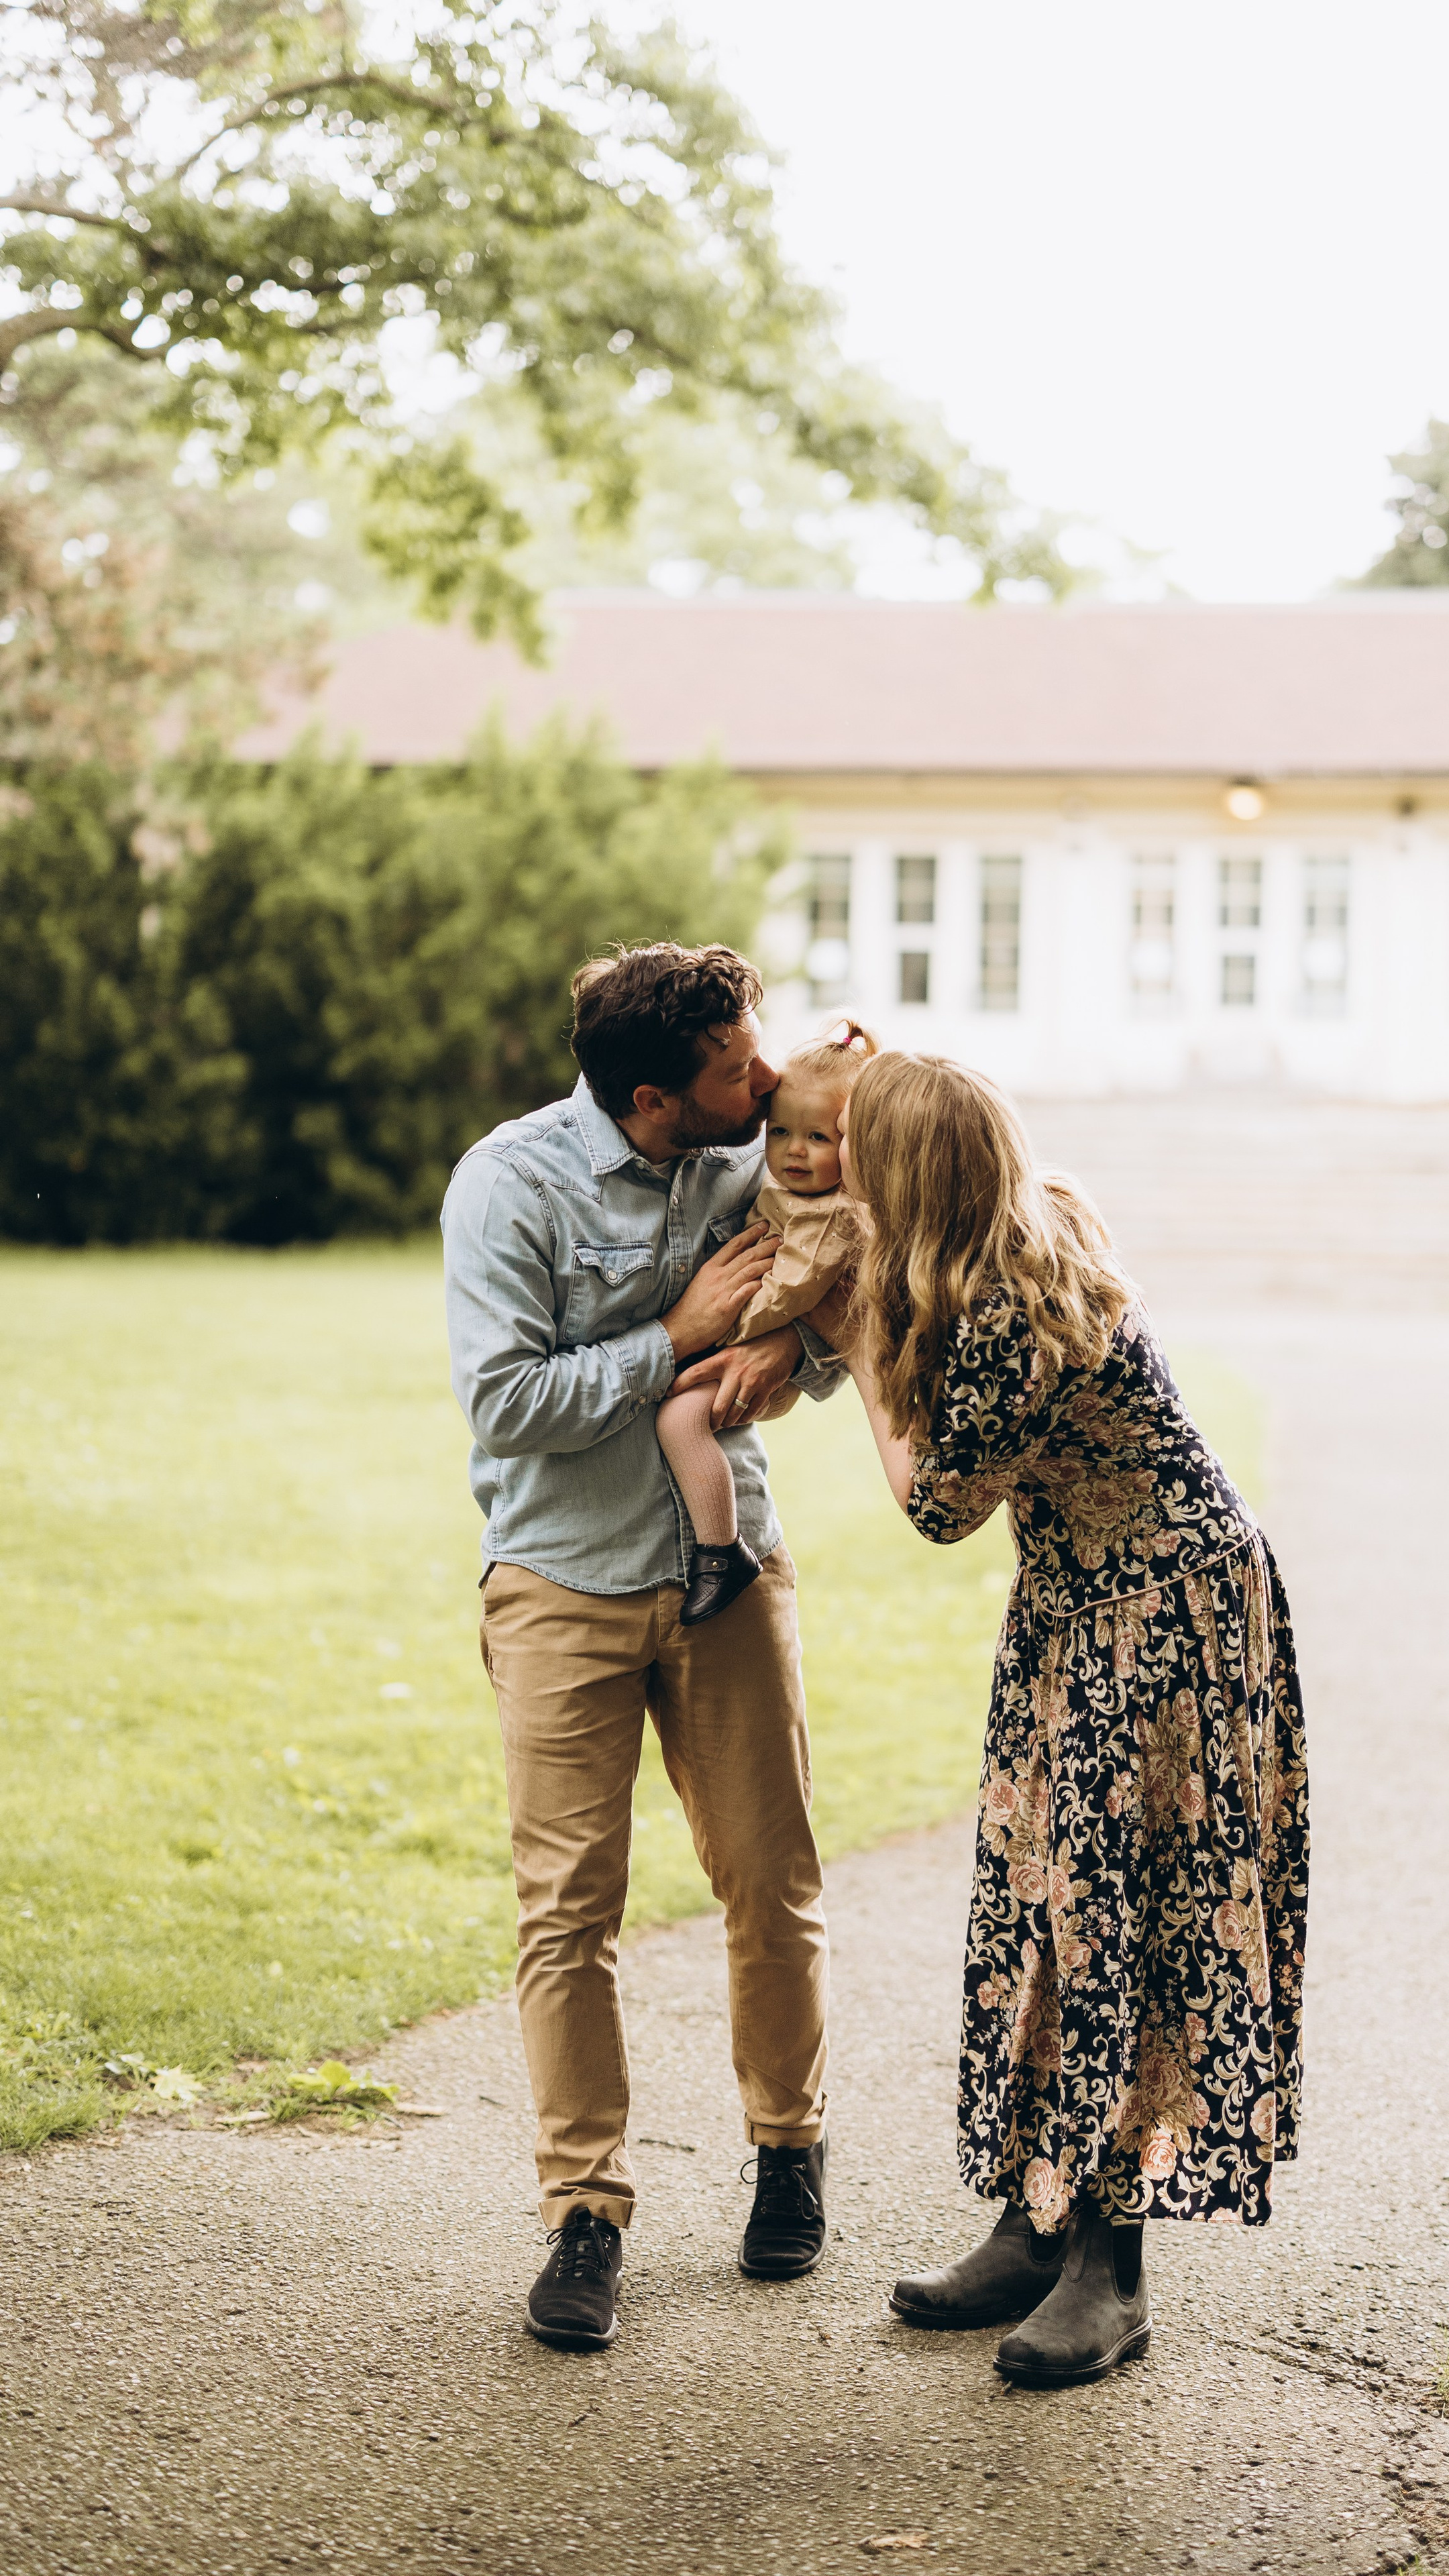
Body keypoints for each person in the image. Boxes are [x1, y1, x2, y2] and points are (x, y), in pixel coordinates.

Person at [816, 1053, 1309, 2389]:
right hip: (1079, 1604)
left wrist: (859, 1335)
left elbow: (932, 1505)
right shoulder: (1014, 1228)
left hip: (1161, 1616)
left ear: (908, 1176)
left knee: (1122, 1925)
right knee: (1041, 1901)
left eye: (855, 1149)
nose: (834, 1166)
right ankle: (1034, 2224)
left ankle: (1111, 2263)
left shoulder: (1001, 1316)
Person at [441, 942, 845, 2354]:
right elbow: (505, 1407)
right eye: (739, 1063)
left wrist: (783, 1360)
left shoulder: (757, 1149)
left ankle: (788, 2150)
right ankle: (585, 2214)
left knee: (771, 1881)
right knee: (568, 1916)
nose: (768, 1074)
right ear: (653, 1099)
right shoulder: (512, 1186)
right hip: (560, 1584)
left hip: (728, 1578)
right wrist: (669, 1332)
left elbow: (838, 1309)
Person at [655, 1019, 877, 1625]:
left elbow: (789, 1291)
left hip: (760, 1355)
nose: (793, 1151)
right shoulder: (790, 1190)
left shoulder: (829, 1217)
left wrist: (717, 1328)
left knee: (679, 1418)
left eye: (818, 1137)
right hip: (747, 1341)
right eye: (780, 1131)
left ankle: (721, 1551)